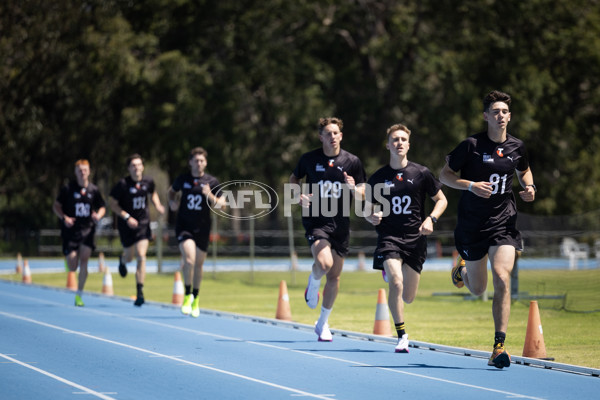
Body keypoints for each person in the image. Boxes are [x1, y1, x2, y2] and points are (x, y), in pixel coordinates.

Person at [439, 90, 536, 369]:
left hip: (504, 222)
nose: (501, 116)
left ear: (509, 116)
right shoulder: (470, 145)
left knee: (502, 277)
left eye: (505, 111)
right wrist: (470, 185)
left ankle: (498, 346)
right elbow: (445, 175)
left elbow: (525, 171)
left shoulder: (518, 147)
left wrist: (529, 187)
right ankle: (463, 271)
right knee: (478, 287)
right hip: (472, 225)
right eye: (495, 111)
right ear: (486, 116)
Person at [364, 124, 447, 352]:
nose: (399, 143)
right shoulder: (379, 177)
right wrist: (372, 214)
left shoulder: (421, 173)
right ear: (388, 145)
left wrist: (431, 219)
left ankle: (391, 275)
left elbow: (442, 200)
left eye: (403, 139)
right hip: (389, 238)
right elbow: (367, 208)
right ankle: (401, 335)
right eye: (394, 139)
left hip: (415, 240)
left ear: (408, 144)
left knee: (408, 297)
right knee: (396, 282)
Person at [290, 117, 366, 341]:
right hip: (316, 220)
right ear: (320, 137)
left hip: (340, 224)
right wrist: (298, 196)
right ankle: (312, 284)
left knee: (334, 277)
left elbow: (363, 191)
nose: (332, 137)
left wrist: (354, 189)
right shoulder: (309, 159)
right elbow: (294, 179)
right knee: (324, 263)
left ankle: (322, 323)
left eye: (336, 133)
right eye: (328, 133)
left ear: (341, 136)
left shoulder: (352, 161)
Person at [168, 147, 224, 318]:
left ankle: (196, 298)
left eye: (202, 161)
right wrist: (172, 202)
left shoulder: (212, 182)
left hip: (203, 228)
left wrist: (210, 195)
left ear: (205, 163)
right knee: (189, 260)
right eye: (196, 160)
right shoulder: (183, 179)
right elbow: (171, 192)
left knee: (199, 264)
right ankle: (186, 295)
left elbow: (222, 204)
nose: (199, 163)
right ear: (190, 162)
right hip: (184, 226)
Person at [109, 154, 165, 307]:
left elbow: (153, 193)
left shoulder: (148, 182)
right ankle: (122, 260)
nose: (136, 168)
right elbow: (112, 204)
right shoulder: (122, 185)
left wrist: (158, 205)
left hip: (143, 224)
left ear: (142, 167)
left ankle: (140, 292)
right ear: (129, 168)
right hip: (126, 225)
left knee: (141, 256)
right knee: (130, 257)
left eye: (139, 165)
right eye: (133, 165)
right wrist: (127, 217)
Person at [53, 159, 106, 307]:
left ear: (89, 171)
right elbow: (56, 206)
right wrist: (65, 218)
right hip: (71, 231)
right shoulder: (68, 189)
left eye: (85, 169)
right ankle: (68, 259)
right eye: (79, 170)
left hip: (88, 230)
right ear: (75, 172)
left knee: (84, 261)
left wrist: (99, 215)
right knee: (72, 266)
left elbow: (102, 207)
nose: (83, 172)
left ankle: (79, 295)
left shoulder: (94, 190)